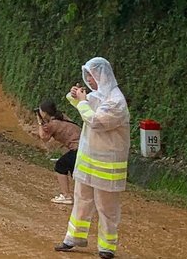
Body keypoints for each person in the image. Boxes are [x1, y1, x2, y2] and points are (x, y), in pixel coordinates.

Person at [54, 57, 131, 259]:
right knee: (82, 199)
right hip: (89, 160)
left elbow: (95, 120)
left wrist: (81, 102)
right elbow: (86, 104)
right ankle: (74, 238)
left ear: (102, 75)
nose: (89, 80)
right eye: (87, 75)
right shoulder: (100, 96)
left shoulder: (116, 101)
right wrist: (74, 97)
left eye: (92, 75)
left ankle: (107, 247)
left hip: (108, 164)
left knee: (107, 207)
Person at [37, 99, 81, 204]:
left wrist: (39, 122)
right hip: (84, 147)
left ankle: (66, 196)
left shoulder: (53, 124)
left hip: (78, 149)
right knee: (75, 171)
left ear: (45, 113)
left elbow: (44, 137)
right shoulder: (61, 117)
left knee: (60, 166)